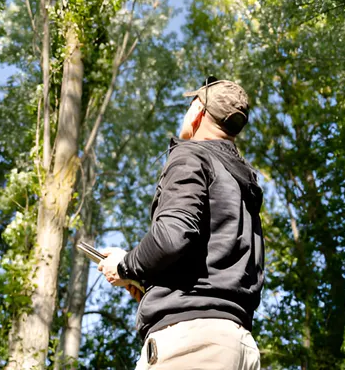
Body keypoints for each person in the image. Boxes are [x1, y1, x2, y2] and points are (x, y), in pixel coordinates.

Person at [98, 78, 265, 370]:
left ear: (198, 110)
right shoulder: (244, 183)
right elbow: (214, 261)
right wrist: (149, 282)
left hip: (192, 343)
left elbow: (171, 238)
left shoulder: (191, 155)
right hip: (237, 344)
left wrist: (124, 265)